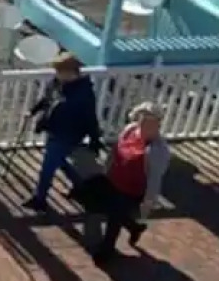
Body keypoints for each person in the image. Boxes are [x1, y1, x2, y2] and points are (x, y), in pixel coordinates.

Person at [93, 103, 170, 264]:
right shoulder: (130, 130)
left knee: (114, 219)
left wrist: (147, 206)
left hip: (132, 190)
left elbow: (154, 180)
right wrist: (105, 171)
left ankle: (106, 251)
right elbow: (115, 151)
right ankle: (133, 227)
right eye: (142, 119)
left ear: (158, 125)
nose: (144, 125)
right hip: (115, 179)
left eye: (150, 122)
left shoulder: (157, 150)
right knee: (105, 207)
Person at [25, 52, 102, 212]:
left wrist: (95, 139)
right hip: (53, 129)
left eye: (59, 71)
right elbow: (47, 98)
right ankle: (80, 186)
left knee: (48, 166)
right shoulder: (57, 83)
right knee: (58, 160)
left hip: (68, 134)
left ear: (71, 72)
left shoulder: (84, 93)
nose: (57, 74)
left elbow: (90, 117)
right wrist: (33, 111)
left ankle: (40, 199)